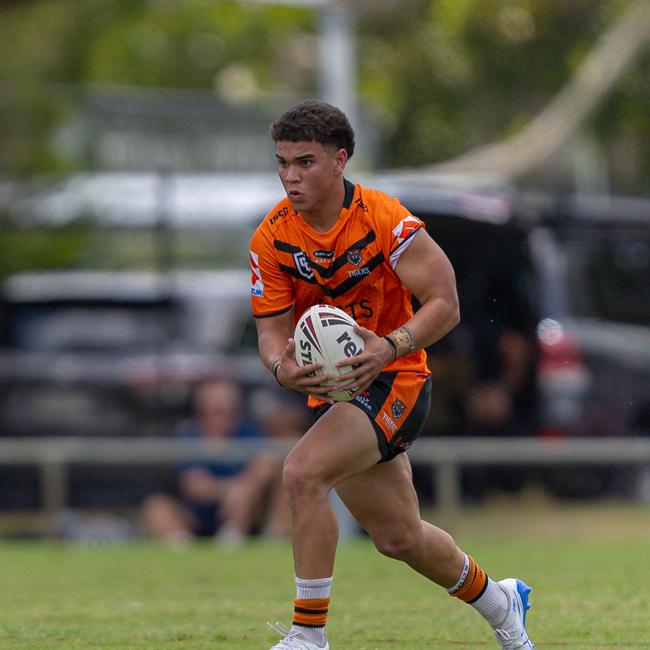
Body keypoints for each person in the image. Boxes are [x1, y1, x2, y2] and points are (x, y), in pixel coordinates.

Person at [250, 99, 535, 650]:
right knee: (400, 538)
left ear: (340, 160)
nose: (290, 176)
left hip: (397, 378)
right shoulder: (272, 238)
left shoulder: (386, 220)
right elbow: (270, 332)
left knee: (301, 473)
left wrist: (391, 344)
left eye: (304, 162)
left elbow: (444, 303)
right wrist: (282, 368)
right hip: (340, 393)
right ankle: (503, 602)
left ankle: (308, 634)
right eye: (283, 162)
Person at [141, 376, 287, 544]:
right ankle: (183, 548)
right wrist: (230, 490)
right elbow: (196, 486)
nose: (220, 417)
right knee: (156, 506)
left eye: (229, 411)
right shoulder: (189, 434)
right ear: (201, 411)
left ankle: (234, 538)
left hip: (243, 513)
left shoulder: (248, 430)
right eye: (214, 411)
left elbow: (268, 463)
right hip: (197, 514)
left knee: (260, 487)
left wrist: (246, 487)